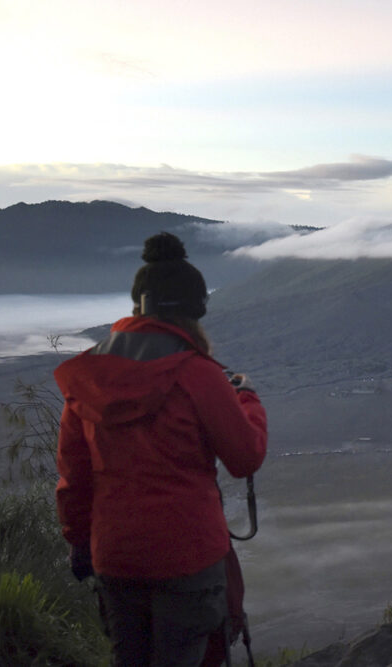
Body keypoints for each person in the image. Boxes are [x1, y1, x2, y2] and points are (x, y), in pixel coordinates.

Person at [55, 232, 268, 667]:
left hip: (115, 556)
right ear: (195, 311)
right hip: (188, 556)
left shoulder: (90, 374)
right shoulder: (199, 374)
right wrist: (247, 399)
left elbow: (73, 478)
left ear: (138, 305)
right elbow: (245, 457)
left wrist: (80, 543)